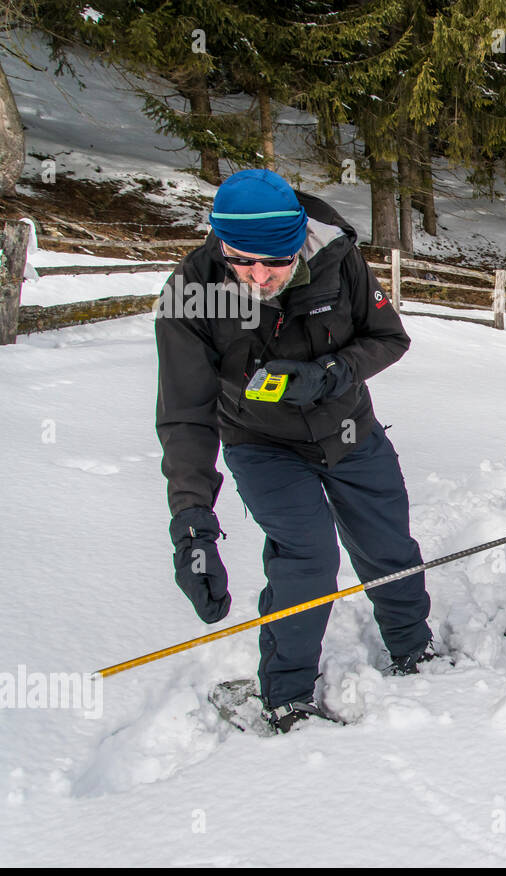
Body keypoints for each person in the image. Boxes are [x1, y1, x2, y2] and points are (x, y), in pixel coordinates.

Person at [155, 168, 435, 734]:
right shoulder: (190, 290)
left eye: (275, 261)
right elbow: (186, 413)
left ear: (298, 240)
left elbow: (389, 337)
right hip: (261, 443)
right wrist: (191, 522)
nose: (259, 276)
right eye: (242, 260)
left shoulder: (337, 256)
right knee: (307, 560)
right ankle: (286, 696)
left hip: (350, 430)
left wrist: (331, 374)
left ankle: (414, 650)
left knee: (388, 546)